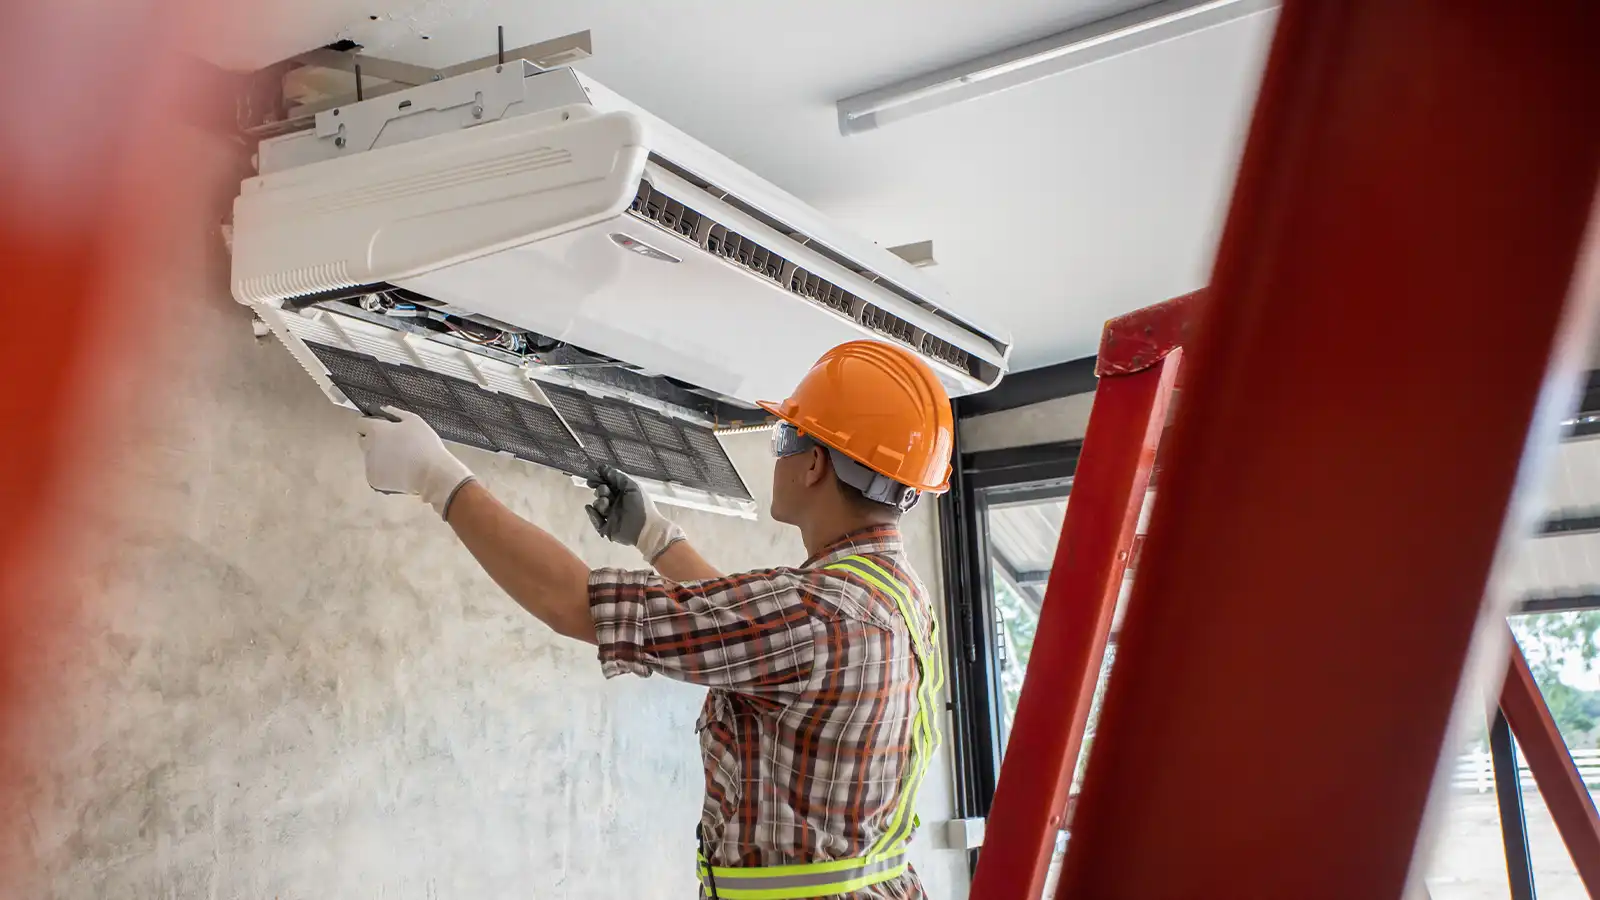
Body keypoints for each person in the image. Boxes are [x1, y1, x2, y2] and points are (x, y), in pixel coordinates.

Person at [355, 340, 953, 900]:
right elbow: (746, 634)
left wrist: (436, 478)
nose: (779, 453)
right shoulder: (894, 596)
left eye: (783, 438)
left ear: (815, 463)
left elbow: (573, 603)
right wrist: (653, 534)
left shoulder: (815, 611)